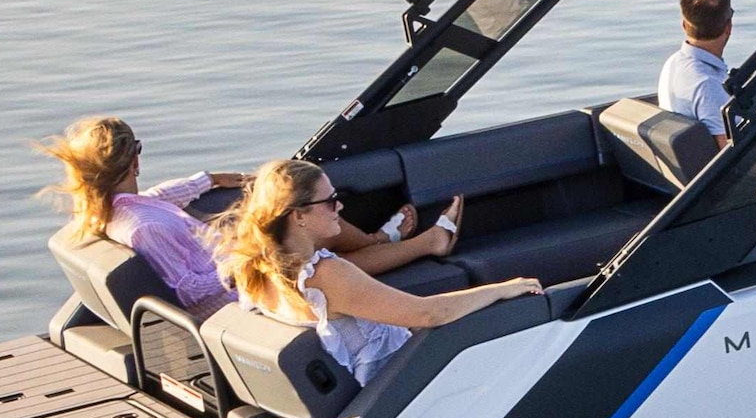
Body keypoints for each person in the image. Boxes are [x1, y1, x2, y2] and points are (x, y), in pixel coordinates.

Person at [45, 115, 465, 314]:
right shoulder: (146, 227)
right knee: (300, 218)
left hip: (231, 265)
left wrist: (209, 179)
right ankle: (424, 242)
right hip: (240, 290)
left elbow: (160, 196)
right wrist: (246, 257)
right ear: (132, 162)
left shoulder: (116, 210)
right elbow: (191, 289)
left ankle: (383, 241)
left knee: (298, 216)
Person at [216, 159, 543, 393]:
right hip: (398, 383)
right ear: (298, 215)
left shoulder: (256, 268)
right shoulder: (328, 274)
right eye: (330, 202)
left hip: (364, 383)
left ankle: (427, 241)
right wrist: (503, 289)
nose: (340, 208)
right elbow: (427, 313)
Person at [656, 0, 735, 135]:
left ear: (684, 25)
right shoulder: (709, 86)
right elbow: (730, 151)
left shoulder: (672, 64)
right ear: (728, 27)